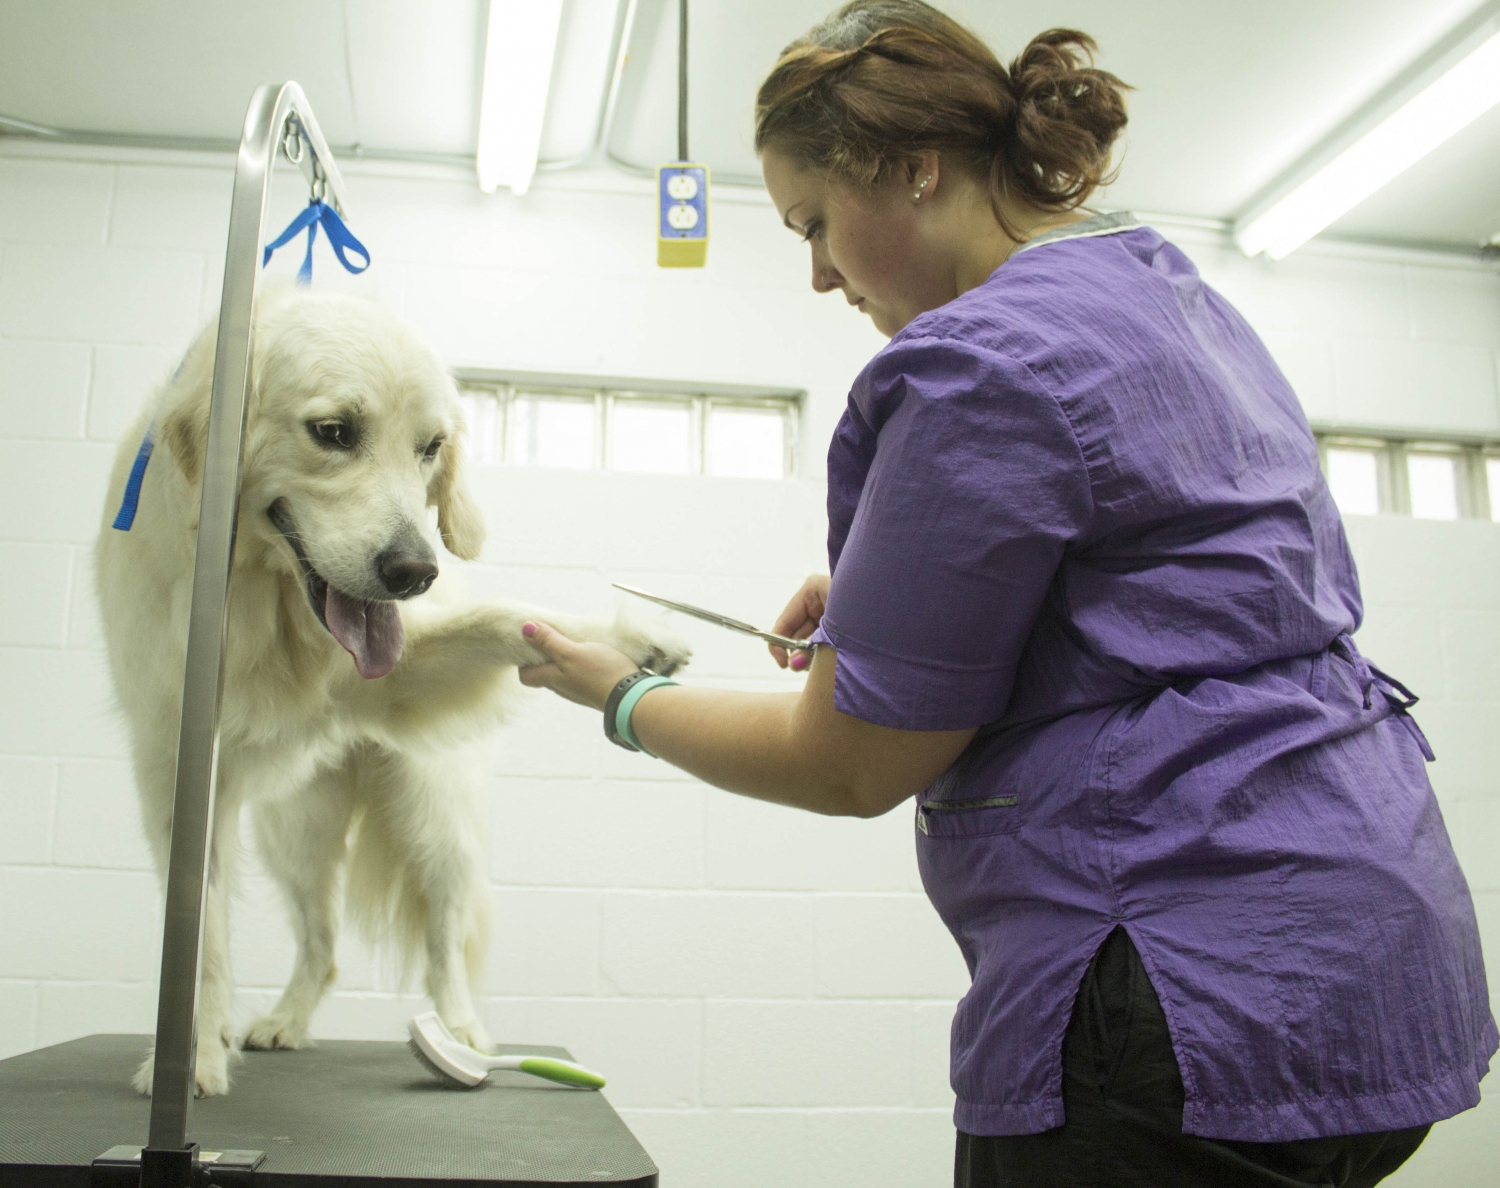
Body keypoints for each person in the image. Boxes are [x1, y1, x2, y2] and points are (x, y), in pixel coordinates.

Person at [517, 3, 1496, 1184]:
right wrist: (901, 592)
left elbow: (848, 763)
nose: (819, 273)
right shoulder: (1167, 287)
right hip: (1375, 956)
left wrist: (622, 697)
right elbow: (1194, 581)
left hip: (1185, 997)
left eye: (816, 224)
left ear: (916, 169)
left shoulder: (976, 363)